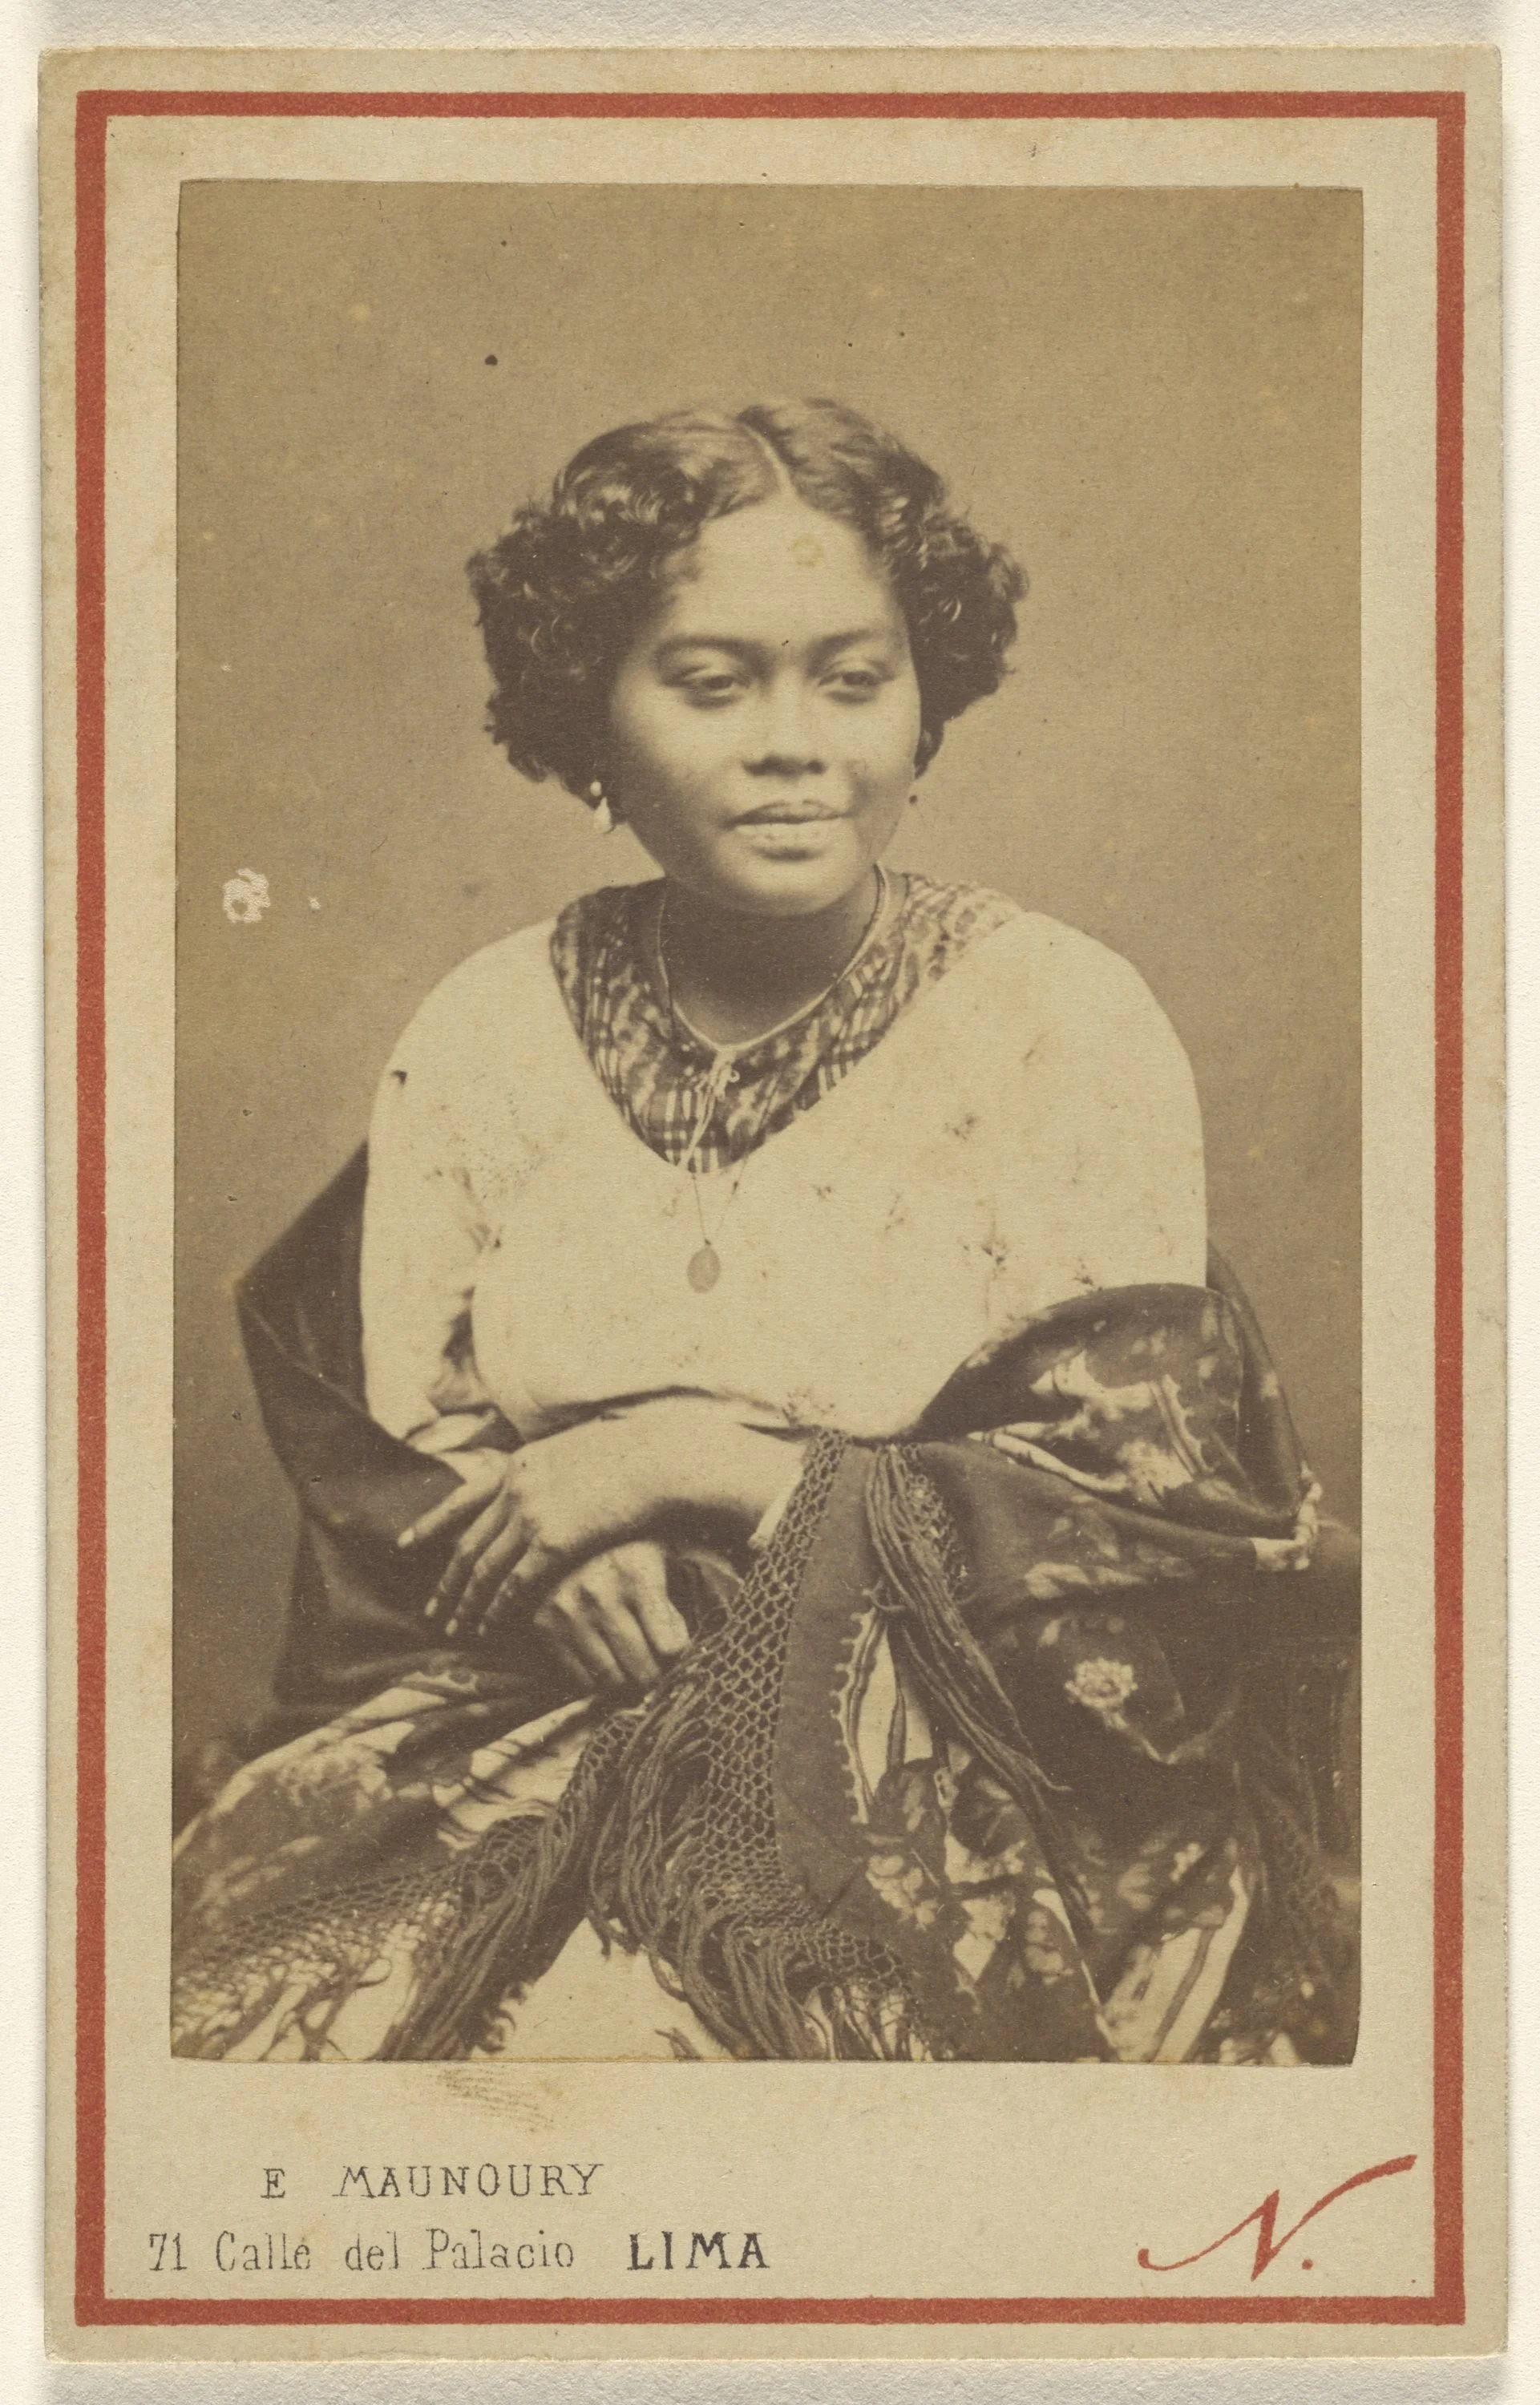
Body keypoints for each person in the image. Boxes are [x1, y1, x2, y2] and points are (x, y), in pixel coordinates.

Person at [172, 399, 1359, 2066]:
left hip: (958, 1753)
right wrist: (557, 1561)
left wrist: (687, 1465)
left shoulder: (1059, 1021)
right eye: (712, 683)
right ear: (588, 714)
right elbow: (415, 1439)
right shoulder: (487, 1026)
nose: (793, 743)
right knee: (248, 2026)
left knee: (660, 2044)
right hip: (540, 1706)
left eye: (853, 681)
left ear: (925, 704)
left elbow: (1143, 1527)